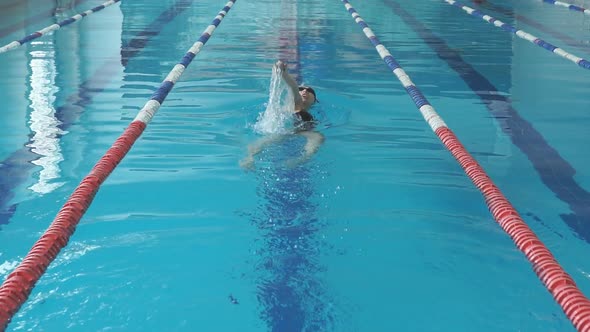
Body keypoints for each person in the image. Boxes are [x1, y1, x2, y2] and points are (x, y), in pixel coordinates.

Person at [240, 60, 325, 170]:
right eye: (302, 89)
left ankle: (302, 159)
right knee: (267, 140)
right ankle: (249, 158)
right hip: (288, 129)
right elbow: (293, 87)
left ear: (314, 101)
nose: (305, 91)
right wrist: (283, 73)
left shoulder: (309, 113)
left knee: (318, 137)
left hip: (304, 130)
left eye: (310, 90)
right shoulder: (296, 103)